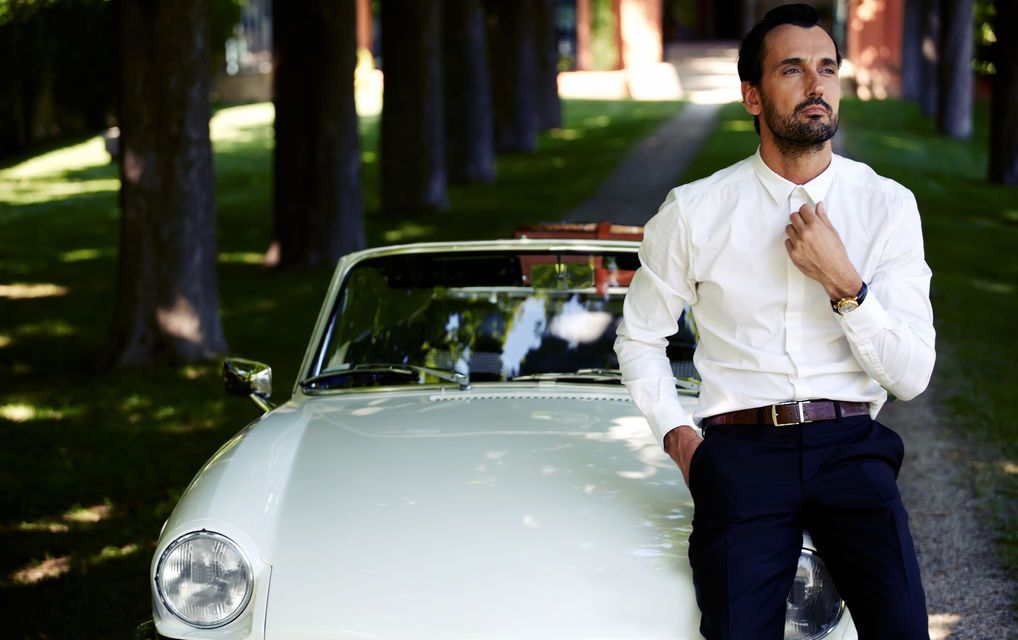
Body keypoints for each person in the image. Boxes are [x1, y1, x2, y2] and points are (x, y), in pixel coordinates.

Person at [613, 4, 935, 639]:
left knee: (902, 630)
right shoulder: (695, 211)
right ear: (752, 97)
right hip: (741, 456)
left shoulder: (888, 207)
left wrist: (844, 284)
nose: (816, 86)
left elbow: (912, 376)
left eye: (827, 68)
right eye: (792, 70)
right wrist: (680, 439)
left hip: (851, 449)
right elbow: (640, 338)